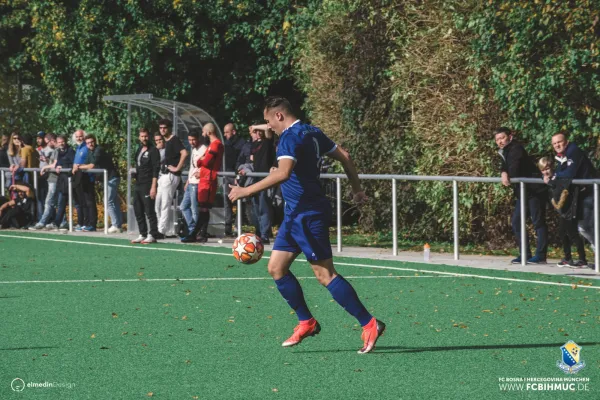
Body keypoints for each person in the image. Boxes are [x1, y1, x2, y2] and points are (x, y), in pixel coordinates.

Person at [228, 96, 385, 354]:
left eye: (270, 122)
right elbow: (344, 156)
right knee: (276, 268)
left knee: (325, 275)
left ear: (279, 116)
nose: (270, 129)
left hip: (308, 215)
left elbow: (283, 173)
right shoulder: (311, 131)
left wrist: (246, 192)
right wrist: (356, 189)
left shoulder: (289, 138)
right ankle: (307, 322)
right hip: (294, 215)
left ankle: (369, 323)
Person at [544, 132, 599, 267]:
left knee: (587, 227)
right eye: (554, 143)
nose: (557, 145)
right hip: (580, 195)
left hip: (590, 193)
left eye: (559, 142)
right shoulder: (562, 156)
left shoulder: (574, 152)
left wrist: (553, 176)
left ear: (566, 142)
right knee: (581, 227)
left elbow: (569, 174)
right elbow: (563, 177)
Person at [495, 127, 548, 264]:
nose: (500, 141)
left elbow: (515, 169)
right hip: (523, 191)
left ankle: (541, 255)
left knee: (538, 222)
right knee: (517, 222)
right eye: (497, 139)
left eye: (502, 138)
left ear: (510, 137)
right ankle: (525, 254)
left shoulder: (516, 149)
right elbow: (505, 166)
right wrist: (503, 172)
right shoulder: (504, 151)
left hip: (534, 190)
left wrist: (507, 173)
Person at [538, 158, 590, 268]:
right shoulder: (549, 178)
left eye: (547, 168)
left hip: (570, 208)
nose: (546, 172)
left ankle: (582, 259)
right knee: (562, 233)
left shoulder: (559, 176)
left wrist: (550, 183)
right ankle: (568, 258)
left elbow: (560, 188)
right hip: (562, 210)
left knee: (572, 233)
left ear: (552, 167)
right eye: (543, 170)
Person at [181, 123, 224, 243]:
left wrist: (200, 161)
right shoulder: (213, 145)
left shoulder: (215, 145)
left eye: (204, 132)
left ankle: (196, 234)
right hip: (205, 179)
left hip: (208, 179)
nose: (203, 134)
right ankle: (197, 233)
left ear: (209, 132)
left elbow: (206, 161)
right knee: (202, 208)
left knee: (202, 209)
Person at [156, 119, 188, 238]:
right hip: (163, 175)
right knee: (158, 204)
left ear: (169, 128)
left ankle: (161, 230)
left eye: (164, 127)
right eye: (161, 128)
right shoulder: (167, 141)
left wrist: (177, 168)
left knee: (165, 203)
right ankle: (161, 228)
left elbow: (184, 153)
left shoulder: (174, 139)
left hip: (170, 176)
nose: (162, 130)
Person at [131, 128, 160, 244]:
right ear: (139, 137)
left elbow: (155, 170)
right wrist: (133, 171)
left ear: (149, 137)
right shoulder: (139, 149)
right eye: (142, 136)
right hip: (138, 183)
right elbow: (138, 166)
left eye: (146, 136)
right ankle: (142, 233)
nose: (144, 138)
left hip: (148, 184)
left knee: (149, 210)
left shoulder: (153, 150)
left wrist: (153, 187)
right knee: (137, 209)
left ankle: (152, 234)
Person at [248, 124, 275, 243]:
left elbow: (269, 128)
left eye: (260, 131)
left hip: (265, 180)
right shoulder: (254, 145)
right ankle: (259, 231)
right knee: (255, 208)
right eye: (256, 131)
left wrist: (256, 126)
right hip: (255, 179)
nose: (258, 133)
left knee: (264, 207)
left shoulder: (267, 143)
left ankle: (264, 234)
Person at [179, 128, 207, 236]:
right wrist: (188, 181)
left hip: (197, 183)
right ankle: (192, 228)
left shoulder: (203, 149)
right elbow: (192, 166)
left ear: (198, 139)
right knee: (183, 206)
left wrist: (201, 174)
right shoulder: (194, 149)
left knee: (195, 209)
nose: (191, 142)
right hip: (191, 182)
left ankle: (194, 232)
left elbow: (206, 165)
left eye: (193, 140)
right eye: (190, 140)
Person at [30, 133, 58, 230]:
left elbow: (54, 164)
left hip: (52, 177)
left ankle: (44, 221)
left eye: (41, 138)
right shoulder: (40, 150)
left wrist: (46, 164)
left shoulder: (55, 150)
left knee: (50, 201)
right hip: (47, 177)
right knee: (49, 201)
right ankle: (51, 221)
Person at [223, 123, 246, 236]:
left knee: (239, 201)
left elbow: (241, 159)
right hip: (227, 174)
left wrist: (238, 175)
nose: (225, 134)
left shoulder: (241, 143)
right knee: (227, 201)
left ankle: (237, 226)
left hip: (237, 175)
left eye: (227, 132)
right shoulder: (226, 143)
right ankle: (227, 227)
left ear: (233, 132)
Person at [52, 135, 76, 231]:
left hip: (70, 180)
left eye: (62, 142)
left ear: (65, 142)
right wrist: (58, 166)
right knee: (61, 202)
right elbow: (58, 163)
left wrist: (63, 167)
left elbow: (74, 164)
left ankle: (80, 223)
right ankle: (58, 222)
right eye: (59, 142)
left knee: (76, 203)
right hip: (62, 181)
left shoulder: (70, 151)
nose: (61, 144)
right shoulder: (59, 152)